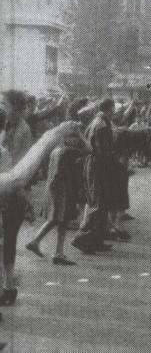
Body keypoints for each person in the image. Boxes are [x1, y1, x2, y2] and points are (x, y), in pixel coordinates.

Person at [0, 109, 81, 306]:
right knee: (7, 243)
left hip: (9, 200)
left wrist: (52, 135)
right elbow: (15, 177)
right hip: (10, 199)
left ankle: (8, 285)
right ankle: (8, 285)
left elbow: (14, 178)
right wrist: (53, 135)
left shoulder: (3, 150)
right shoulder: (3, 149)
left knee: (6, 242)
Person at [26, 99, 89, 266]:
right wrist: (81, 135)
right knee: (59, 219)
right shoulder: (68, 151)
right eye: (75, 136)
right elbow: (89, 149)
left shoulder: (56, 149)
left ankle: (53, 250)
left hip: (55, 187)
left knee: (60, 219)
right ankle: (46, 247)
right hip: (64, 188)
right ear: (70, 138)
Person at [71, 99, 120, 255]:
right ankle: (82, 240)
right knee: (97, 203)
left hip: (95, 164)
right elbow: (103, 150)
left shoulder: (98, 121)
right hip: (98, 166)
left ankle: (96, 241)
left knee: (101, 203)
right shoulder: (102, 125)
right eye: (113, 109)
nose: (115, 112)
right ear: (108, 109)